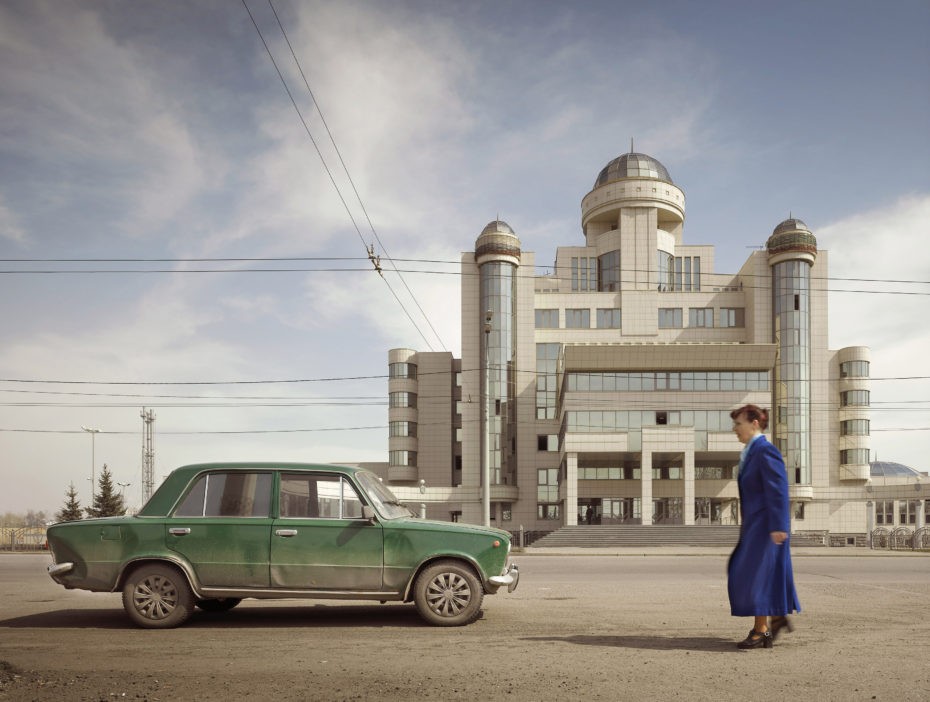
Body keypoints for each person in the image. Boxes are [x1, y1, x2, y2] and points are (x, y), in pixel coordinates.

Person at [727, 404, 800, 649]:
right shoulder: (751, 451)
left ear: (754, 423)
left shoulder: (765, 450)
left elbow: (778, 488)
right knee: (753, 574)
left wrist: (779, 525)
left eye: (738, 423)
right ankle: (774, 619)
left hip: (768, 528)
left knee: (752, 575)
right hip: (756, 527)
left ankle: (763, 628)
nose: (735, 429)